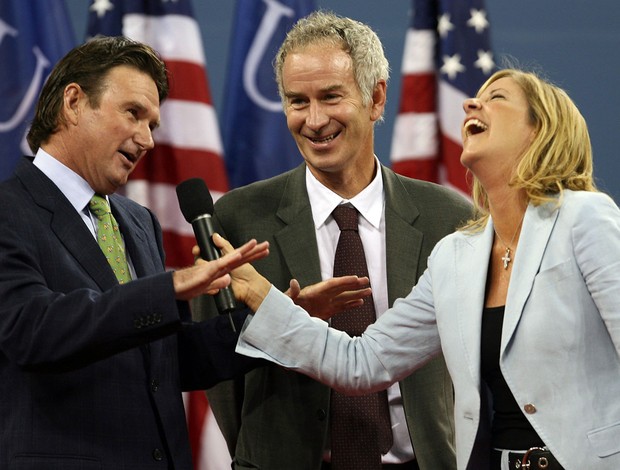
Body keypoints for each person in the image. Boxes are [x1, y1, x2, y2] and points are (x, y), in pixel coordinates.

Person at [230, 66, 620, 470]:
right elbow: (362, 362)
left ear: (541, 131)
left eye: (497, 97)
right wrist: (261, 295)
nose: (471, 103)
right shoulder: (456, 255)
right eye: (476, 96)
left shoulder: (583, 218)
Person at [192, 10, 471, 470]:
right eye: (297, 101)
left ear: (376, 98)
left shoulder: (451, 219)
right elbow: (220, 373)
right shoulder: (238, 219)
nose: (315, 120)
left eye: (331, 97)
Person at [0, 36, 271, 470]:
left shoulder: (137, 221)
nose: (146, 139)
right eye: (133, 114)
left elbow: (165, 361)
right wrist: (170, 287)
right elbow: (33, 330)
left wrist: (277, 321)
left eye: (153, 125)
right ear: (73, 103)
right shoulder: (9, 211)